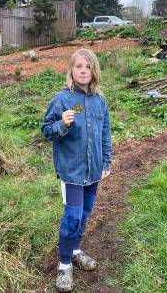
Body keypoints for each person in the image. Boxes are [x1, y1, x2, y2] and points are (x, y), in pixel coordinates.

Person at [41, 48, 112, 292]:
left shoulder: (100, 101)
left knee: (84, 214)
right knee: (72, 217)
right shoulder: (62, 99)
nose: (83, 71)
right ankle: (63, 265)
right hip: (72, 172)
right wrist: (62, 124)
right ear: (72, 70)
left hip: (94, 172)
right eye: (79, 66)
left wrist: (106, 162)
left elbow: (105, 135)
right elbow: (46, 129)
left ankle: (75, 250)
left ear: (94, 71)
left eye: (88, 67)